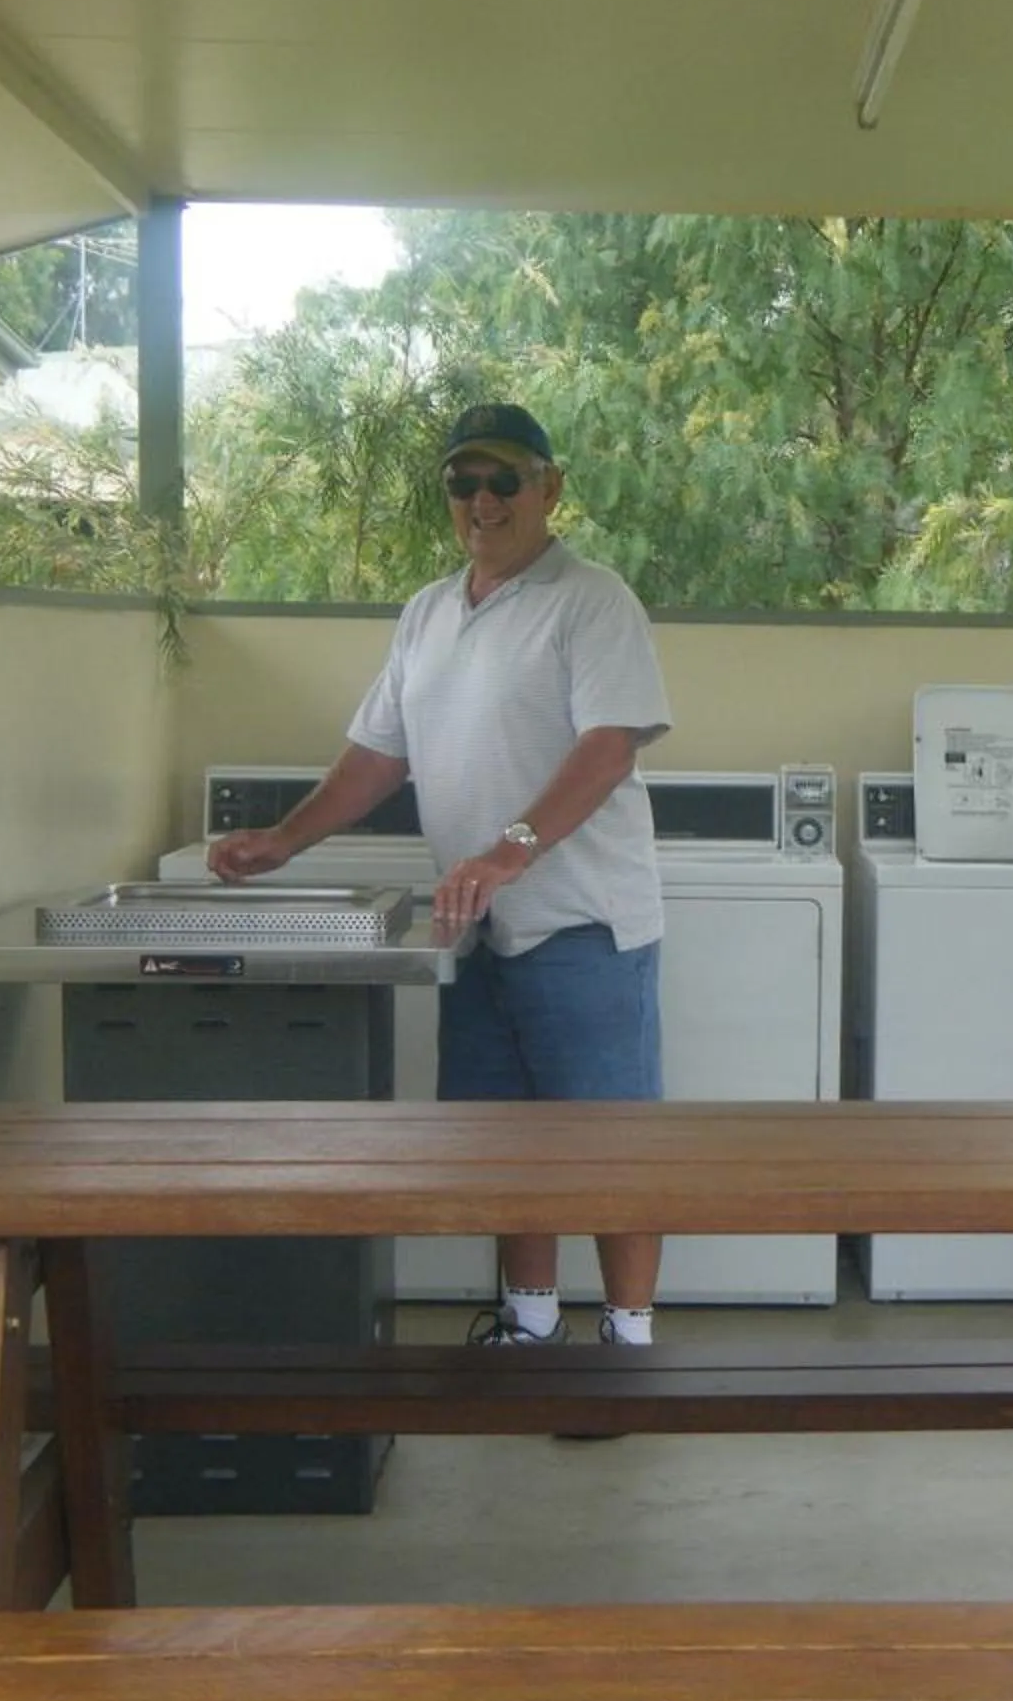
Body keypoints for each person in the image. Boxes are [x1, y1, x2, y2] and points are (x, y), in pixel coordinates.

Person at [208, 402, 673, 1348]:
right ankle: (532, 1326)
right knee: (508, 1145)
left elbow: (609, 749)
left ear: (550, 488)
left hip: (581, 925)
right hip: (473, 928)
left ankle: (631, 1343)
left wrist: (508, 850)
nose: (484, 500)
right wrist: (286, 840)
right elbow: (379, 757)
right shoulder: (427, 611)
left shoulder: (591, 598)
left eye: (505, 479)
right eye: (464, 482)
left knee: (611, 1149)